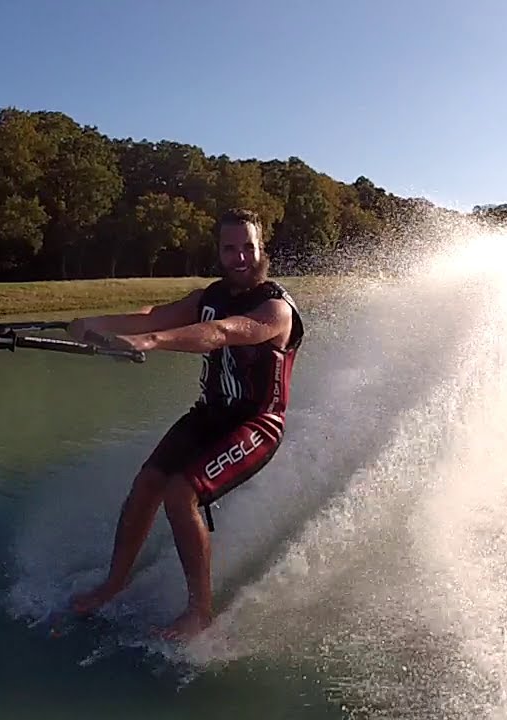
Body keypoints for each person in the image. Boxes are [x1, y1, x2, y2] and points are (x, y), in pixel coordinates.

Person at [64, 207, 305, 639]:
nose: (240, 257)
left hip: (257, 425)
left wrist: (150, 342)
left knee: (180, 493)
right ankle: (114, 583)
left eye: (248, 247)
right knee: (146, 485)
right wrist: (93, 324)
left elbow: (222, 333)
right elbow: (153, 316)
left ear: (261, 248)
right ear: (218, 252)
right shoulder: (205, 297)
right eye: (230, 249)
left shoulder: (276, 308)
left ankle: (199, 611)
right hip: (209, 414)